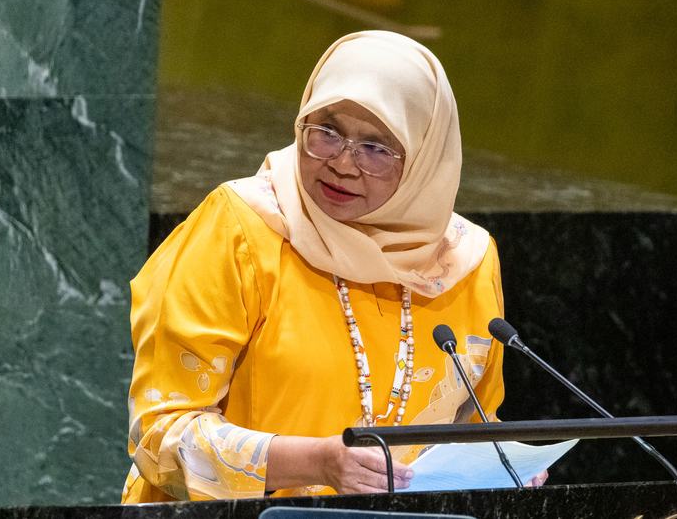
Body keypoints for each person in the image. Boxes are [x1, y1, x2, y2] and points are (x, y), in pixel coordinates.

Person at [121, 30, 541, 503]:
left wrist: (499, 463)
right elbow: (159, 435)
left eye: (376, 148)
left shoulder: (466, 260)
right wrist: (317, 462)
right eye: (326, 132)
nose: (342, 164)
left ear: (426, 156)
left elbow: (473, 423)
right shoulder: (241, 228)